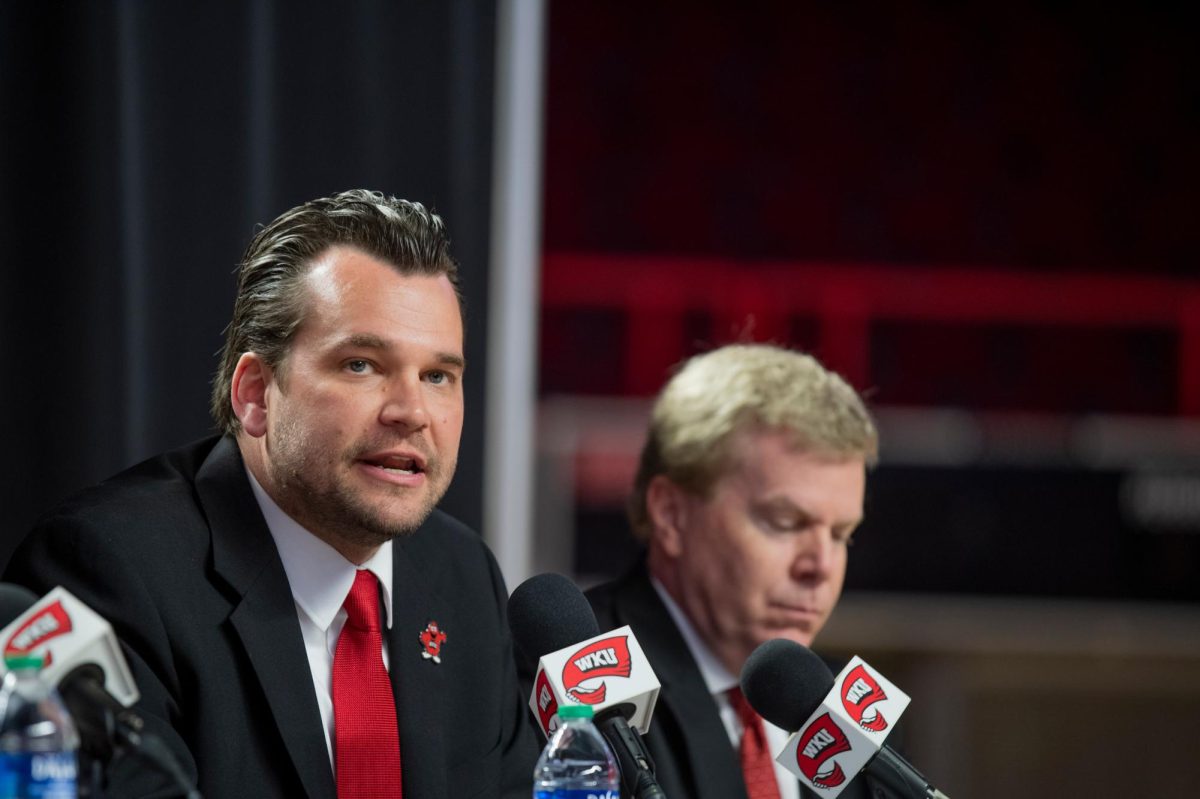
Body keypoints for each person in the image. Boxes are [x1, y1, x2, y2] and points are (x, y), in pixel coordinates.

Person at [4, 190, 538, 798]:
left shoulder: (463, 577)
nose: (413, 411)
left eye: (438, 376)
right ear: (256, 394)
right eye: (361, 365)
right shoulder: (112, 570)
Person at [585, 343, 880, 799]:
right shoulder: (578, 686)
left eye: (842, 534)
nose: (821, 566)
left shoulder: (845, 715)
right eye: (785, 523)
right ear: (672, 514)